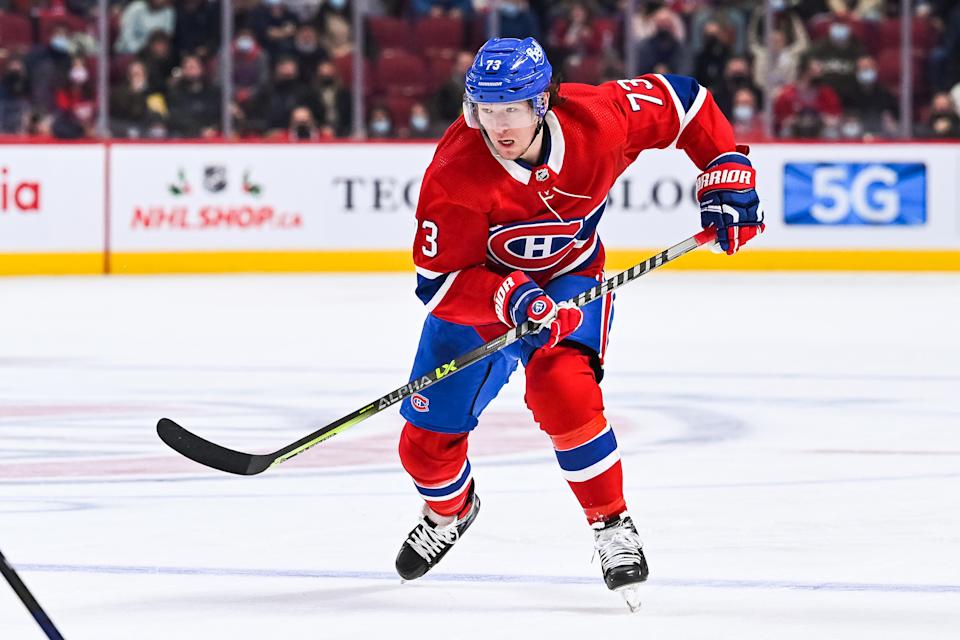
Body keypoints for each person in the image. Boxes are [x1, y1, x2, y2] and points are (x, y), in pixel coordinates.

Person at [394, 37, 764, 609]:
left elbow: (683, 102)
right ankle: (451, 511)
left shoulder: (599, 118)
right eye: (486, 111)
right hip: (483, 296)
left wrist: (725, 163)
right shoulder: (454, 173)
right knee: (424, 447)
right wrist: (511, 298)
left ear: (543, 102)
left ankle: (611, 523)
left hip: (571, 277)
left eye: (512, 108)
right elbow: (437, 283)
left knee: (563, 391)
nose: (499, 125)